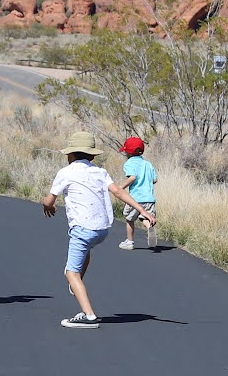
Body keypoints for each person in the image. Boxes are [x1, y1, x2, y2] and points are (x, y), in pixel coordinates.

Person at [42, 131, 155, 328]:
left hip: (82, 228)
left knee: (70, 272)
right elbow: (119, 192)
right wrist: (143, 211)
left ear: (70, 155)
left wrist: (48, 206)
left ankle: (88, 315)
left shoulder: (66, 172)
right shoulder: (100, 172)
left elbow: (49, 199)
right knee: (86, 251)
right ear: (92, 156)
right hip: (101, 230)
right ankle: (77, 285)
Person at [118, 136, 158, 250]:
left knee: (130, 219)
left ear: (127, 152)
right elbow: (154, 180)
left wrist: (121, 188)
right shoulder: (148, 164)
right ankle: (149, 226)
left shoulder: (129, 163)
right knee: (145, 217)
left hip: (135, 198)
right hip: (149, 198)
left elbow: (132, 177)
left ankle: (129, 242)